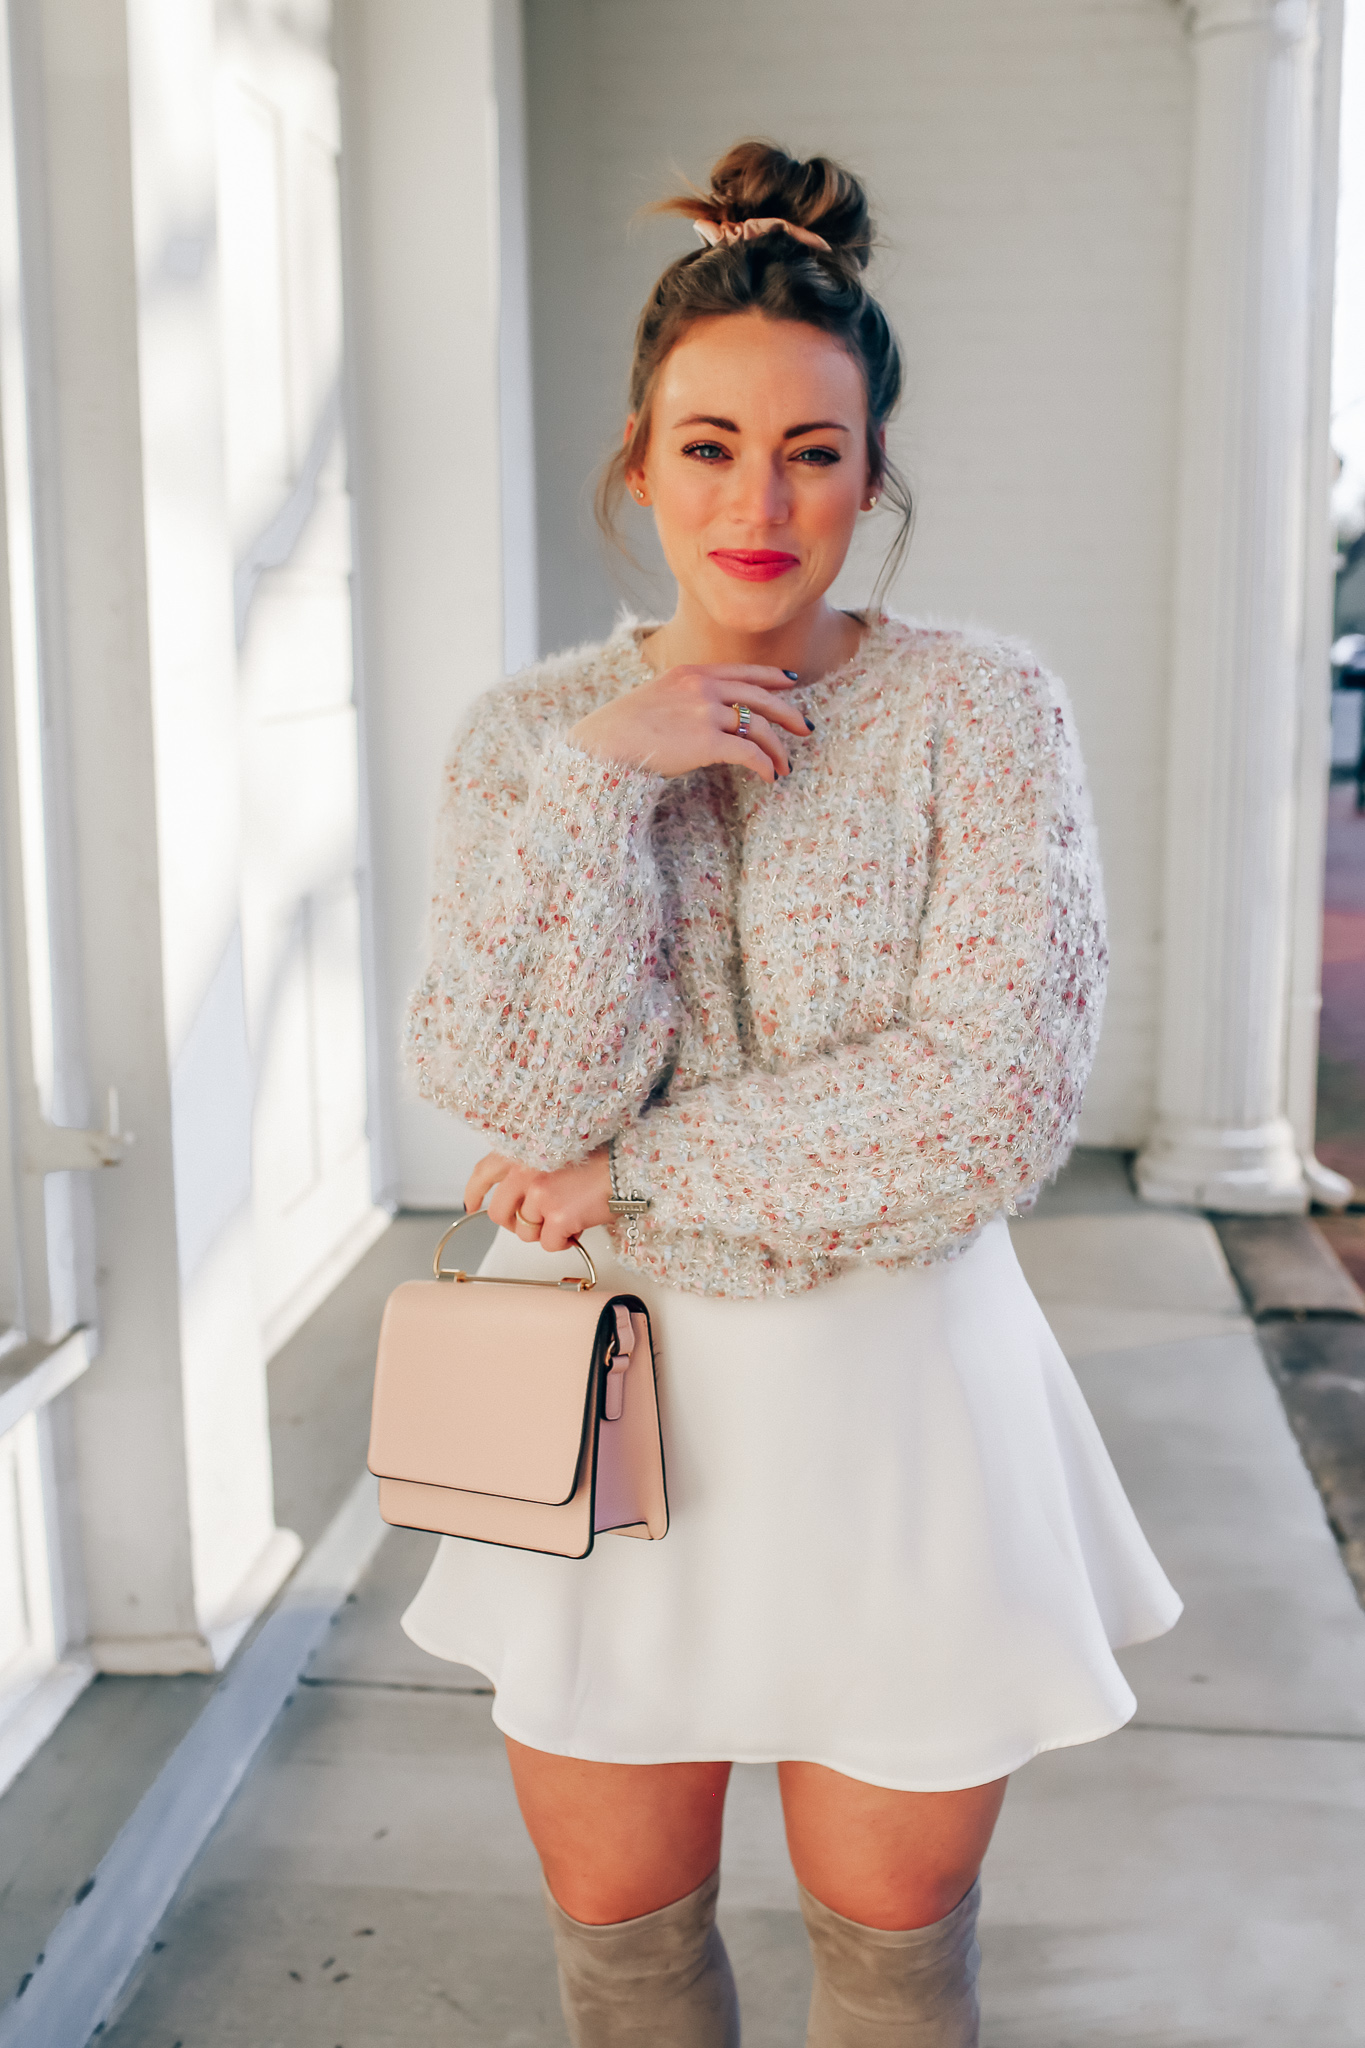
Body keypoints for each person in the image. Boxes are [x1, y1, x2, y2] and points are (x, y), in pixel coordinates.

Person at [402, 140, 1180, 2048]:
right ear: (640, 455)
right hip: (587, 1421)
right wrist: (609, 779)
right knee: (623, 1940)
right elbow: (506, 1085)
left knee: (897, 1941)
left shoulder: (982, 713)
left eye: (813, 452)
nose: (760, 500)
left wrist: (623, 1175)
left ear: (873, 466)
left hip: (897, 1410)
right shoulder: (527, 740)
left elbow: (988, 1107)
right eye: (709, 445)